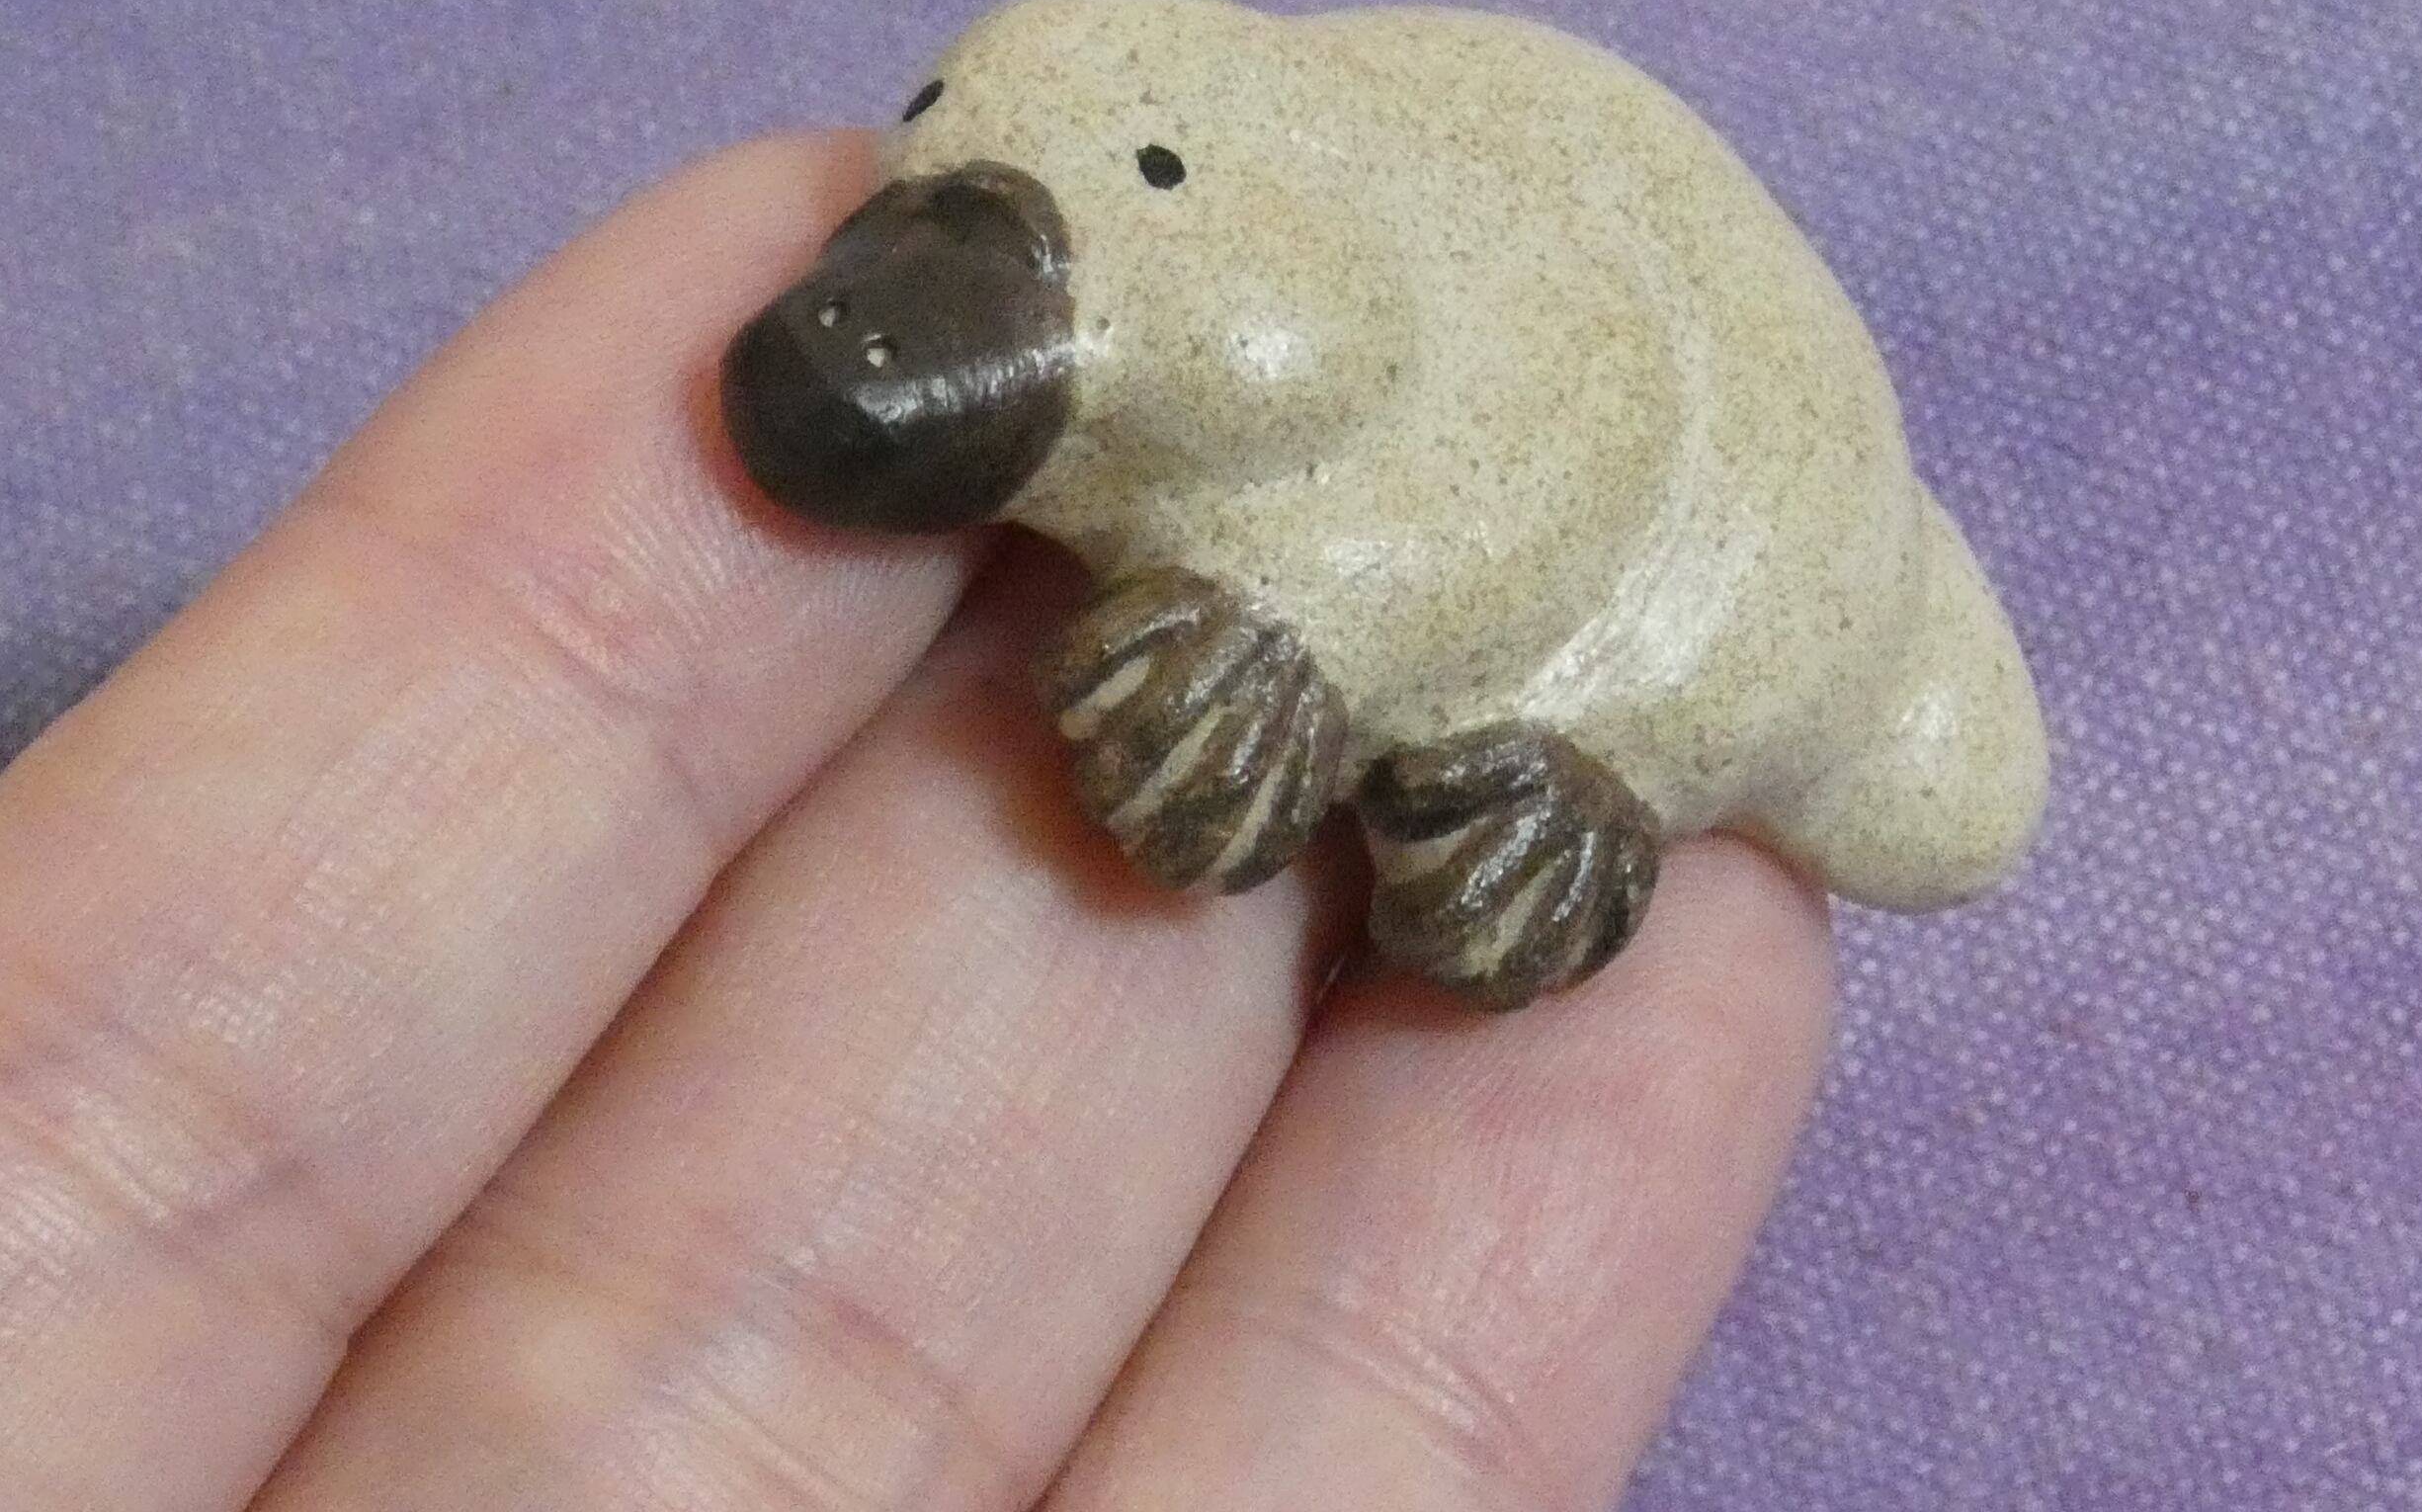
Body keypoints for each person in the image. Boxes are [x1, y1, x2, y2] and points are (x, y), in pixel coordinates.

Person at [0, 132, 1835, 1509]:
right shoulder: (1103, 160)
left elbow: (1533, 486)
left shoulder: (1393, 364)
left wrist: (1318, 656)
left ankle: (1573, 780)